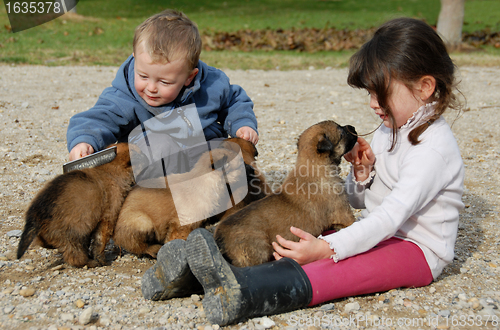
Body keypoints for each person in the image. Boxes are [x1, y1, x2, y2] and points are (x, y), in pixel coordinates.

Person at [143, 17, 465, 326]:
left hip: (417, 252)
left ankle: (245, 291)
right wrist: (364, 177)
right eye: (368, 93)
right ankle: (195, 276)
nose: (371, 104)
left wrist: (327, 247)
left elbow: (390, 217)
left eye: (379, 93)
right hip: (382, 235)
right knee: (298, 241)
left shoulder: (432, 151)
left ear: (424, 88)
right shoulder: (390, 127)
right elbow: (353, 201)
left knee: (335, 266)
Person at [66, 9, 258, 161]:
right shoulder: (124, 97)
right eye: (143, 76)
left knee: (237, 153)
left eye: (164, 82)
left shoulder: (213, 85)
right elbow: (99, 118)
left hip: (205, 154)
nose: (151, 88)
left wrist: (242, 124)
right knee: (159, 142)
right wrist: (84, 141)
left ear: (189, 78)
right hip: (152, 165)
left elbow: (235, 101)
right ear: (135, 60)